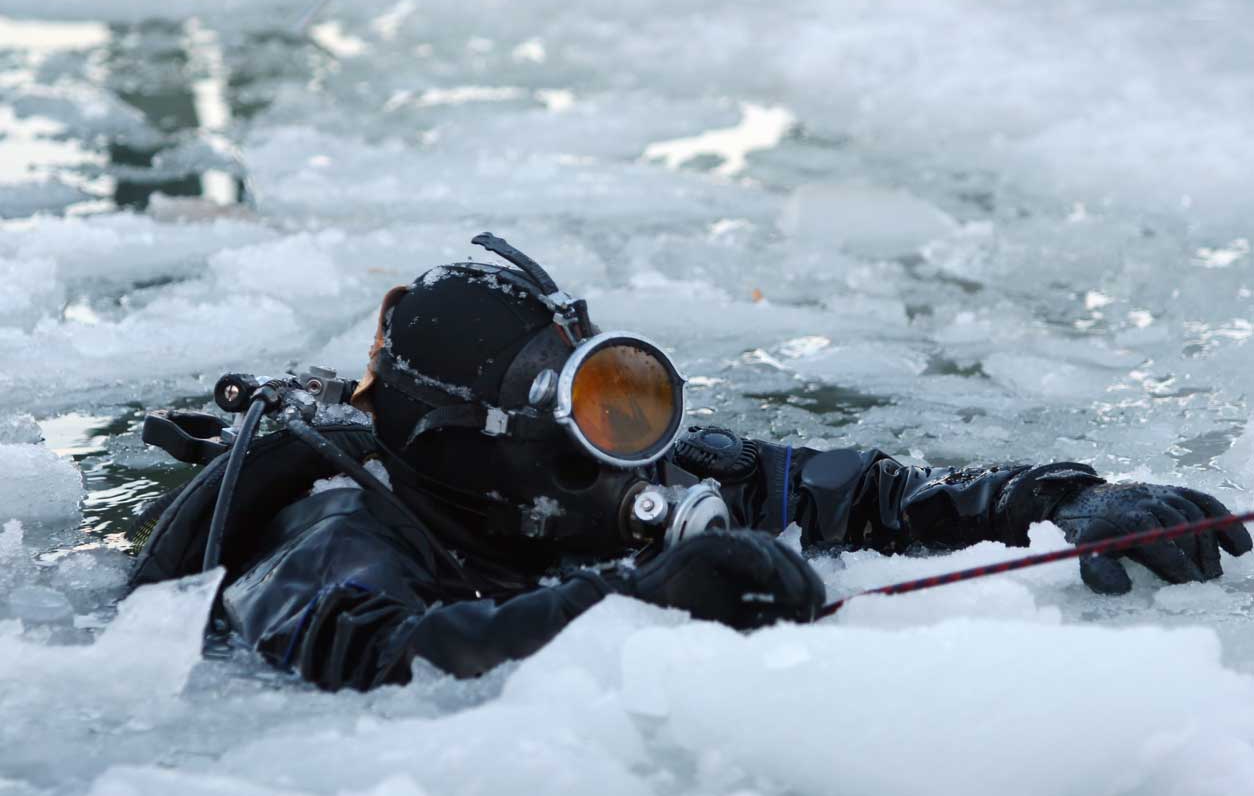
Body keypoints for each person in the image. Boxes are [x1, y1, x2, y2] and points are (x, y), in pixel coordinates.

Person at [128, 233, 1252, 692]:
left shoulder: (615, 467)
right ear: (472, 436)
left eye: (620, 395)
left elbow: (873, 494)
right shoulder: (333, 528)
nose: (614, 440)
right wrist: (636, 597)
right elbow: (379, 656)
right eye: (583, 407)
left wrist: (1068, 495)